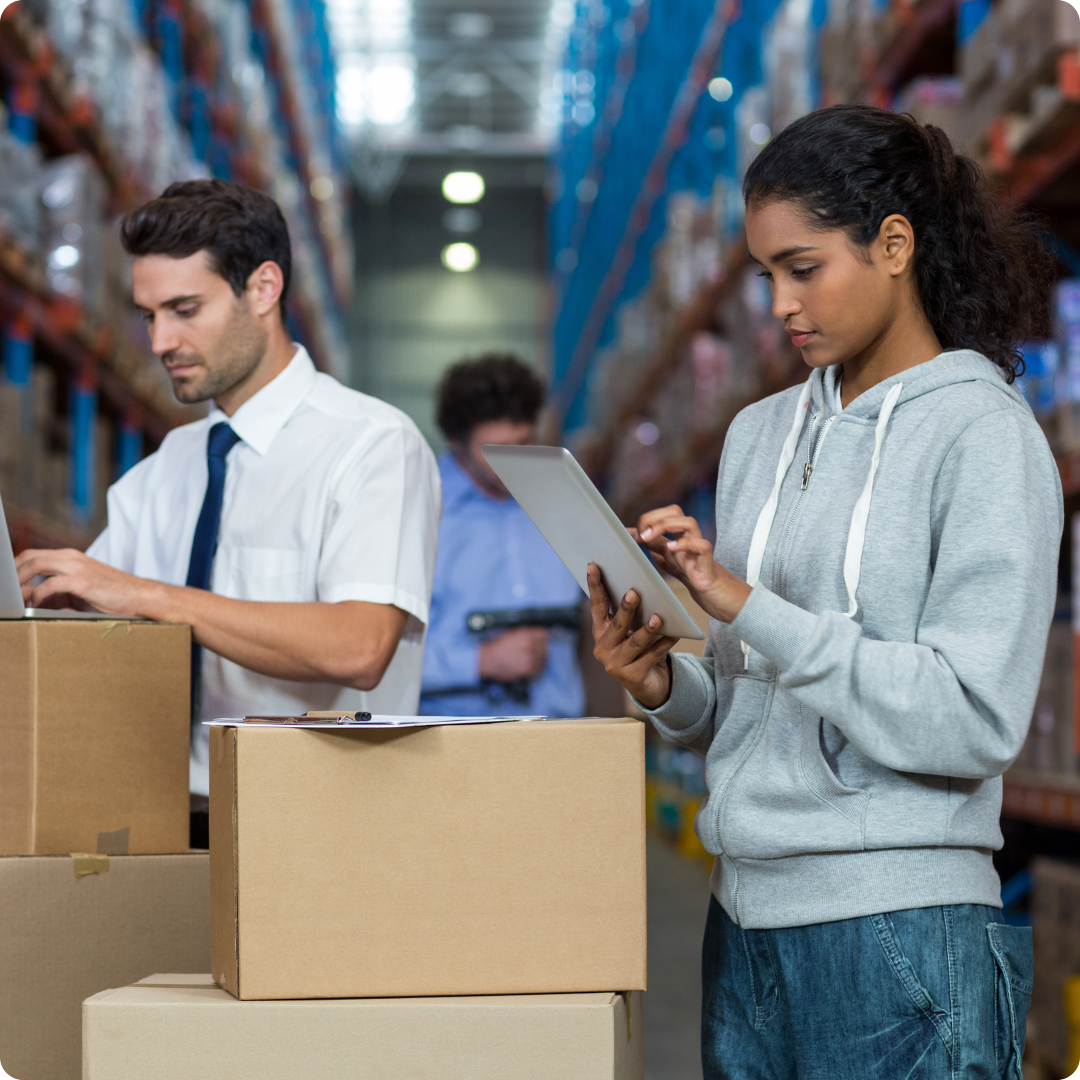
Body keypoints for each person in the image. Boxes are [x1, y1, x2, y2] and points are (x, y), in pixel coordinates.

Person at [589, 105, 1062, 1079]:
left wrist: (742, 600)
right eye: (765, 275)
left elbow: (972, 719)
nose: (780, 305)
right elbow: (748, 698)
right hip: (744, 924)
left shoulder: (982, 436)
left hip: (901, 938)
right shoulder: (760, 434)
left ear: (894, 245)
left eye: (804, 268)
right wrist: (665, 686)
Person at [16, 179, 440, 801]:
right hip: (171, 813)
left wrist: (148, 595)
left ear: (264, 288)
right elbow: (95, 608)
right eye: (149, 316)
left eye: (185, 311)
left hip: (319, 819)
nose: (160, 342)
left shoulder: (371, 445)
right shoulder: (167, 469)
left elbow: (359, 646)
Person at [420, 354, 585, 717]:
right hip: (452, 744)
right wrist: (479, 661)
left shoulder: (567, 501)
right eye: (495, 451)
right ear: (455, 443)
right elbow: (374, 656)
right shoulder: (416, 512)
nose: (514, 461)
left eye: (524, 442)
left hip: (563, 740)